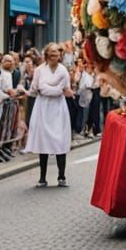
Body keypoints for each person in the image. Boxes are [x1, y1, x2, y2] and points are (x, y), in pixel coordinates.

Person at [25, 42, 74, 187]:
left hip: (58, 108)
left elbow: (66, 90)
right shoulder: (40, 70)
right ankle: (42, 177)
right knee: (43, 141)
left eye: (56, 54)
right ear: (46, 55)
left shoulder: (63, 71)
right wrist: (53, 89)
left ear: (60, 55)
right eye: (51, 54)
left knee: (60, 141)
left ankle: (61, 176)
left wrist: (49, 89)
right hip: (43, 108)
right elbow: (36, 88)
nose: (54, 56)